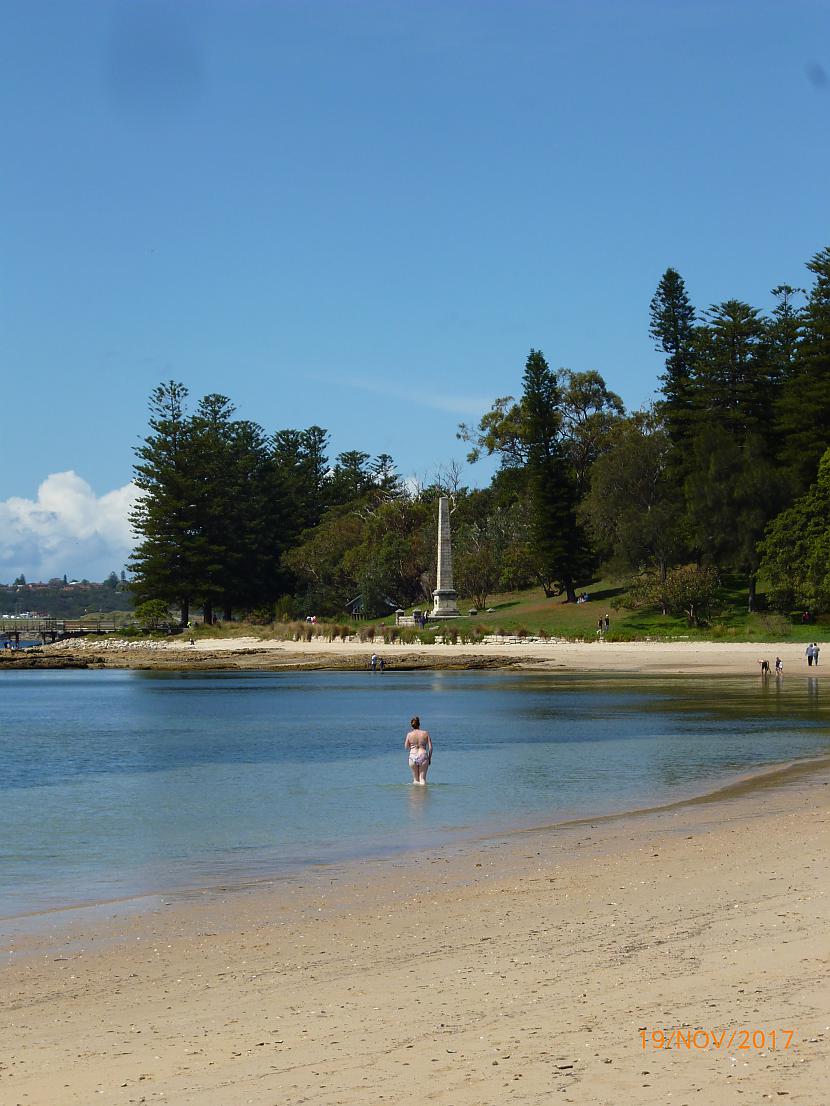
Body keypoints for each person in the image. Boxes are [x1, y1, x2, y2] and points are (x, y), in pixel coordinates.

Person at [404, 715, 432, 785]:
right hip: (423, 755)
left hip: (412, 756)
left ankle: (416, 795)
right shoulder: (425, 733)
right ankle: (423, 795)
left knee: (415, 780)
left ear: (412, 726)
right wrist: (429, 758)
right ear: (419, 724)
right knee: (422, 779)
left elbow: (406, 747)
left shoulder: (409, 734)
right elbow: (431, 748)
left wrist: (412, 746)